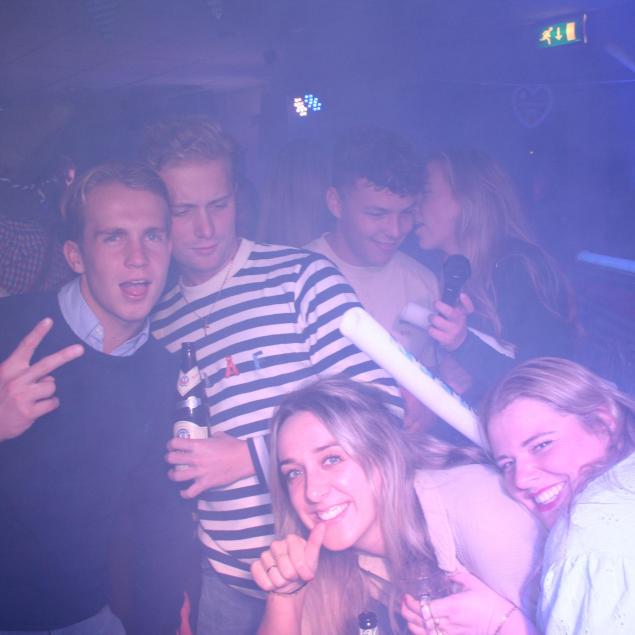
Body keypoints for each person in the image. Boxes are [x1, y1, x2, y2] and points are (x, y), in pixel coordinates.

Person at [142, 116, 403, 635]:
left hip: (329, 582)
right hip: (223, 579)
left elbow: (382, 407)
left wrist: (248, 457)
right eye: (183, 211)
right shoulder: (157, 319)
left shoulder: (301, 278)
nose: (206, 228)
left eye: (218, 205)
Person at [0, 162, 192, 634]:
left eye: (152, 236)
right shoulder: (11, 328)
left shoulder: (164, 375)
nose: (138, 258)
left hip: (84, 618)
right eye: (113, 237)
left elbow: (156, 527)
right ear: (75, 255)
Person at [251, 377, 545, 635]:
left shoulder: (480, 509)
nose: (312, 491)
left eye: (332, 459)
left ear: (382, 453)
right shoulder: (327, 561)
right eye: (294, 473)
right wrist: (286, 596)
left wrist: (503, 624)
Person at [415, 357, 635, 634]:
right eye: (507, 464)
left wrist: (502, 624)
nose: (520, 478)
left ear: (603, 424)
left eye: (541, 445)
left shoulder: (584, 538)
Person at [414, 148, 578, 402]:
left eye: (425, 193)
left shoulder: (520, 268)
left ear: (468, 198)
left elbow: (547, 384)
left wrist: (464, 346)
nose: (414, 205)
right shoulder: (428, 271)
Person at [306, 127, 439, 431]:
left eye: (406, 213)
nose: (395, 230)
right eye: (377, 214)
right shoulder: (296, 281)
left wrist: (427, 408)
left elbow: (432, 376)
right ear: (335, 202)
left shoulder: (423, 282)